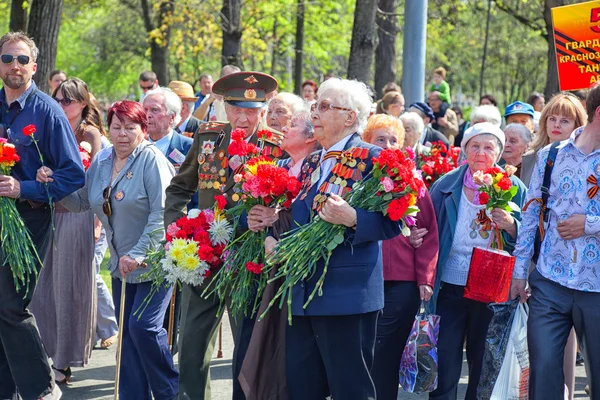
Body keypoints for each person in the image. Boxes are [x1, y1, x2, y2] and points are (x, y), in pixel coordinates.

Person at [264, 77, 402, 399]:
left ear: (349, 117)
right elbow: (298, 219)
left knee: (349, 388)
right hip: (302, 294)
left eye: (324, 106)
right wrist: (274, 238)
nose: (315, 113)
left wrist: (355, 218)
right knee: (301, 386)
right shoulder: (312, 161)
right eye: (315, 105)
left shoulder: (372, 158)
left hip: (346, 296)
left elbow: (397, 219)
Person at [39, 100, 179, 399]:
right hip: (120, 263)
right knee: (128, 337)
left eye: (131, 128)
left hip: (154, 261)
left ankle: (170, 391)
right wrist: (52, 184)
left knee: (143, 328)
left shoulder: (151, 160)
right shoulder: (102, 160)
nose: (123, 135)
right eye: (117, 127)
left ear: (143, 129)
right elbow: (81, 203)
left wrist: (139, 253)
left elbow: (162, 214)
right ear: (109, 129)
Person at [164, 71, 283, 400]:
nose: (242, 118)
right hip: (204, 256)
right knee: (191, 346)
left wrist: (271, 222)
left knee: (246, 347)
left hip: (251, 261)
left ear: (263, 110)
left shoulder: (275, 147)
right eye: (235, 109)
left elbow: (287, 202)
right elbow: (179, 187)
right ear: (224, 108)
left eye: (251, 111)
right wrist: (175, 231)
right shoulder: (208, 137)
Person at [0, 31, 85, 400]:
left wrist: (26, 189)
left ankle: (42, 390)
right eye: (7, 59)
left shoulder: (47, 111)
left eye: (22, 60)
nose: (14, 66)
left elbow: (72, 174)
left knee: (11, 305)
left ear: (34, 67)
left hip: (28, 219)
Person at [511, 82, 600, 400]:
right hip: (549, 282)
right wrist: (519, 272)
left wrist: (589, 225)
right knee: (544, 374)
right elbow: (530, 215)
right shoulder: (550, 156)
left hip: (597, 289)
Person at [429, 122, 527, 400]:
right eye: (475, 146)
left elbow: (530, 236)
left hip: (491, 288)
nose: (481, 153)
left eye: (488, 147)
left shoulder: (514, 187)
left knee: (483, 363)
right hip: (449, 285)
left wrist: (511, 225)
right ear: (465, 150)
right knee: (445, 359)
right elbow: (429, 231)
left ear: (498, 152)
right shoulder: (445, 185)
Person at [29, 78, 103, 385]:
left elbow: (95, 179)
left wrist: (98, 222)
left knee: (68, 287)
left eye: (69, 101)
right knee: (41, 288)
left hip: (76, 215)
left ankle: (63, 359)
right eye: (58, 99)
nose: (63, 106)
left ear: (83, 104)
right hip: (46, 212)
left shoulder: (90, 134)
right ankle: (41, 349)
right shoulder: (48, 126)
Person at [362, 114, 439, 400]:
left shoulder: (413, 182)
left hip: (402, 283)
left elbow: (429, 233)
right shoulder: (357, 179)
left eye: (394, 140)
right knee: (363, 351)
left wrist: (425, 278)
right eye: (380, 139)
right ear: (366, 142)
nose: (387, 145)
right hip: (363, 278)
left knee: (384, 353)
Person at [519, 93, 587, 187]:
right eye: (552, 119)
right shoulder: (530, 158)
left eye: (564, 121)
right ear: (545, 121)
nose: (556, 125)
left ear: (577, 125)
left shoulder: (586, 160)